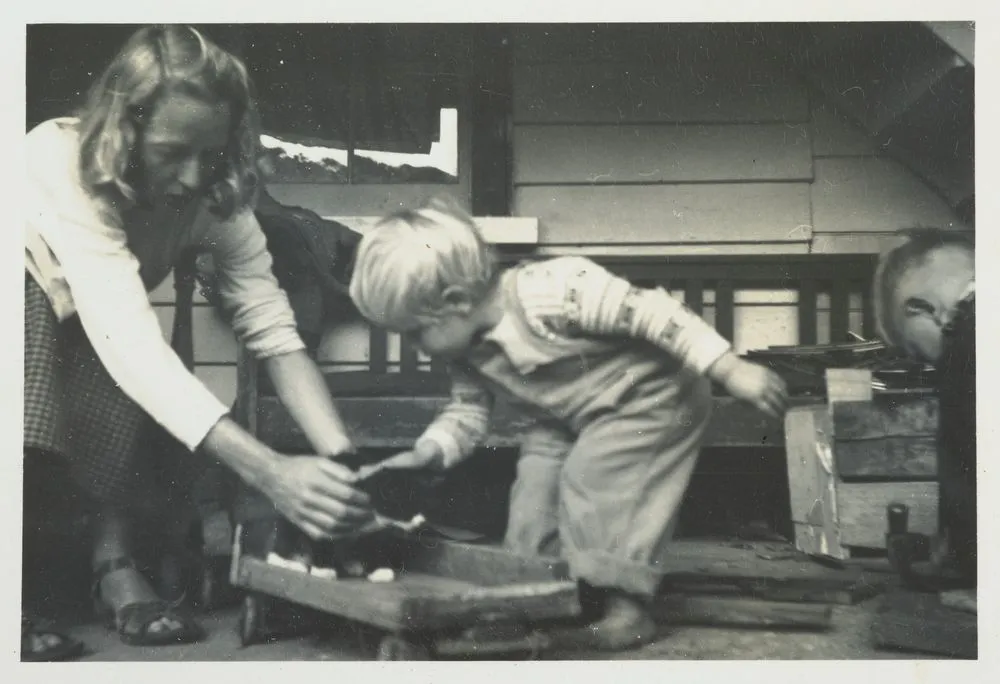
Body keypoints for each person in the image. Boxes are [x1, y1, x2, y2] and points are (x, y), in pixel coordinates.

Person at [23, 25, 374, 659]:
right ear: (123, 130)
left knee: (119, 394)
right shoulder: (58, 161)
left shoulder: (213, 197)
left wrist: (345, 466)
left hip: (82, 318)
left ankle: (112, 571)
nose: (191, 177)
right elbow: (128, 340)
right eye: (171, 151)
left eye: (209, 154)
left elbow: (273, 330)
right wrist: (273, 472)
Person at [347, 196, 789, 650]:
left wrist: (729, 369)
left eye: (414, 333)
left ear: (456, 301)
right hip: (568, 416)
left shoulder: (552, 290)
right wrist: (429, 450)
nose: (416, 346)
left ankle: (626, 608)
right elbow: (468, 410)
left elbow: (656, 313)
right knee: (533, 493)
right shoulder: (464, 352)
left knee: (596, 480)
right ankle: (536, 598)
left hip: (649, 396)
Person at [873, 228, 976, 592]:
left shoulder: (967, 342)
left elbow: (964, 457)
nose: (929, 363)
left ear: (921, 309)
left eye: (915, 352)